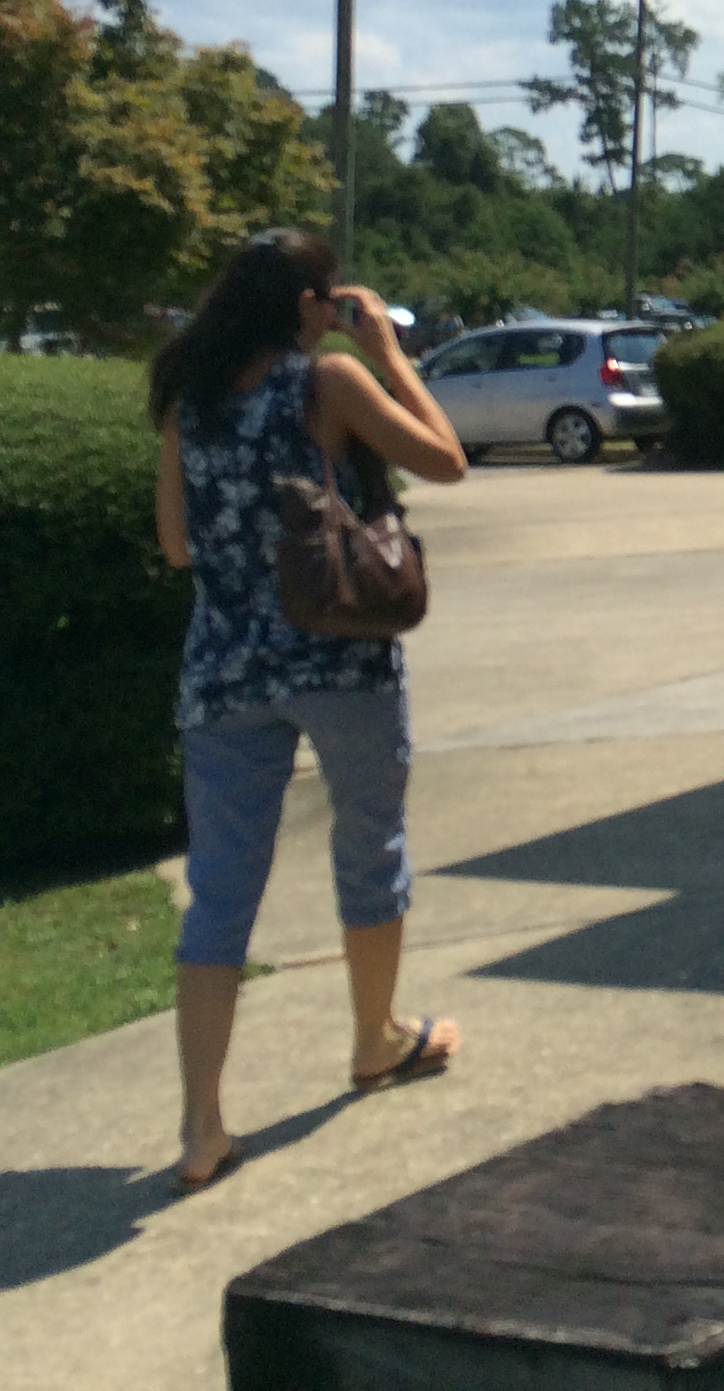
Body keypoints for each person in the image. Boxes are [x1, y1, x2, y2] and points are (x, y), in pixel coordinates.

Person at [149, 228, 469, 1194]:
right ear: (306, 305)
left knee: (220, 892)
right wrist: (390, 356)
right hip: (338, 651)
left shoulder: (189, 397)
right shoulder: (326, 381)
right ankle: (375, 1039)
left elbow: (176, 546)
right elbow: (445, 461)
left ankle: (201, 1127)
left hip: (223, 671)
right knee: (368, 843)